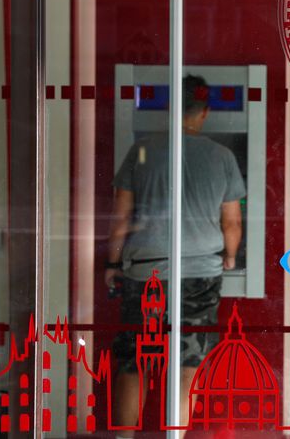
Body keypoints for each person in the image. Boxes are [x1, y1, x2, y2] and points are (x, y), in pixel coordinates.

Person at [105, 75, 245, 436]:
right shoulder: (224, 156)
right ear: (205, 112)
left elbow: (121, 218)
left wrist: (112, 263)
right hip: (200, 274)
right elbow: (231, 222)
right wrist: (229, 258)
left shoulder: (141, 151)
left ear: (170, 110)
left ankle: (123, 437)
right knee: (188, 363)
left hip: (145, 272)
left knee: (134, 363)